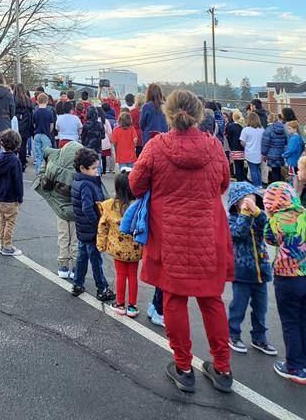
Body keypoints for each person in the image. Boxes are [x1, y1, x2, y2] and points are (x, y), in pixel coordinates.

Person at [130, 89, 234, 395]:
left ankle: (184, 366)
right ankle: (223, 368)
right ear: (199, 114)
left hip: (170, 235)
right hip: (207, 235)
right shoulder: (214, 147)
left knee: (174, 301)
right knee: (211, 301)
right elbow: (224, 183)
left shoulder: (156, 147)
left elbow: (136, 185)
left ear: (169, 114)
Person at [263, 182, 306, 384]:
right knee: (304, 320)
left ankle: (295, 367)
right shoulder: (304, 213)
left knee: (290, 322)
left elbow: (269, 240)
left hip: (287, 278)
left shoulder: (275, 220)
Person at [226, 182, 276, 356]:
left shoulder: (258, 216)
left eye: (253, 198)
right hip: (241, 273)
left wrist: (256, 212)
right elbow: (238, 233)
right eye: (245, 199)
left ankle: (259, 337)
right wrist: (245, 215)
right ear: (235, 202)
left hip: (261, 271)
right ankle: (233, 334)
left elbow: (268, 229)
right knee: (238, 306)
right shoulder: (232, 219)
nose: (249, 201)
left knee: (261, 308)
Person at [70, 147, 115, 302]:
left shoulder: (77, 181)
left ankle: (78, 283)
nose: (97, 171)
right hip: (91, 229)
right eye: (94, 168)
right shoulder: (87, 185)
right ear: (83, 168)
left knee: (82, 257)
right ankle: (102, 288)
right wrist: (99, 224)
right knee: (96, 260)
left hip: (82, 229)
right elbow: (87, 208)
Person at [97, 169, 142, 317]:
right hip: (135, 249)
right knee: (133, 276)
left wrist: (101, 245)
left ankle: (120, 304)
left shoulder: (110, 205)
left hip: (117, 249)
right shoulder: (139, 205)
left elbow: (103, 226)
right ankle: (132, 307)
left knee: (121, 275)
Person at [33, 140, 80, 279]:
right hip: (77, 212)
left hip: (60, 208)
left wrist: (44, 165)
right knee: (76, 240)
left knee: (63, 237)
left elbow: (44, 184)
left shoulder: (55, 168)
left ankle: (63, 265)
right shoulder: (82, 172)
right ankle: (76, 268)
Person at [0, 128, 24, 256]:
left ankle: (2, 243)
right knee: (10, 223)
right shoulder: (15, 161)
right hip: (10, 198)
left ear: (1, 143)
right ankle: (7, 246)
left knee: (2, 222)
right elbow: (18, 182)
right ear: (17, 145)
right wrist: (20, 197)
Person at [33, 92, 56, 174]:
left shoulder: (35, 112)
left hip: (37, 134)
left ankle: (38, 172)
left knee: (38, 155)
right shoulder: (49, 113)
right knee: (47, 155)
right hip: (46, 135)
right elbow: (52, 126)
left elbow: (34, 124)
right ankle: (46, 173)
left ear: (37, 101)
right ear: (47, 101)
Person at [240, 112, 265, 188]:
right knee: (257, 170)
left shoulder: (246, 130)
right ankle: (259, 185)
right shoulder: (262, 129)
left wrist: (247, 145)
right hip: (259, 153)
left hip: (250, 153)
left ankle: (257, 186)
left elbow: (242, 142)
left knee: (253, 170)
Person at [262, 113, 288, 184]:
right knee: (278, 171)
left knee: (274, 172)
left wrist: (263, 153)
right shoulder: (284, 128)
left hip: (271, 154)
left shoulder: (268, 130)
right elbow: (286, 141)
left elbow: (265, 143)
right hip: (281, 153)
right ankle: (280, 186)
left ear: (268, 119)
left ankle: (276, 188)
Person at [13, 83, 34, 173]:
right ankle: (22, 164)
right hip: (25, 126)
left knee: (13, 145)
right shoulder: (28, 101)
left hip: (15, 125)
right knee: (23, 146)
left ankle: (13, 163)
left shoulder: (13, 99)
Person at [226, 110, 245, 182]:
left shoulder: (231, 126)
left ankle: (239, 179)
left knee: (236, 165)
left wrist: (230, 146)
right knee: (241, 164)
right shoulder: (241, 126)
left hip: (234, 147)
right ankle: (242, 178)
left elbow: (229, 137)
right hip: (241, 148)